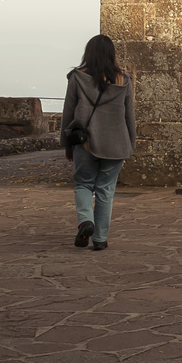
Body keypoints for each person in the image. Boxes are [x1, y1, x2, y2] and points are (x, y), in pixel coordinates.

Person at [62, 34, 136, 252]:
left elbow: (68, 113)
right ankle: (101, 239)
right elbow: (129, 116)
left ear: (89, 53)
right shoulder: (124, 79)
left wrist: (67, 143)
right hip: (116, 143)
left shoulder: (77, 78)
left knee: (83, 183)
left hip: (85, 141)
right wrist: (130, 144)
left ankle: (86, 221)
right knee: (105, 190)